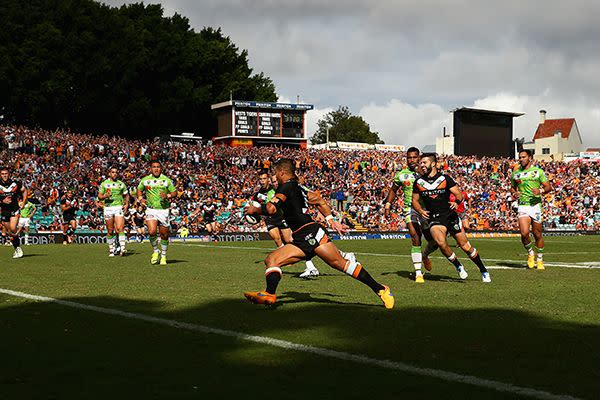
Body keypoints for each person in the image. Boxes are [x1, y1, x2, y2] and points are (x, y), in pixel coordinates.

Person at [244, 158, 394, 308]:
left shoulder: (286, 187)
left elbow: (271, 209)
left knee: (341, 264)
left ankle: (381, 289)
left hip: (310, 233)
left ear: (282, 172)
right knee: (271, 260)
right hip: (300, 237)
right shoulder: (299, 188)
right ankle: (269, 294)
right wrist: (331, 220)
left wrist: (255, 210)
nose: (274, 176)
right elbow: (319, 201)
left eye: (276, 173)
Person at [412, 153, 491, 283]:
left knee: (466, 246)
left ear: (433, 164)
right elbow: (414, 200)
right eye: (420, 163)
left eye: (424, 162)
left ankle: (483, 270)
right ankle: (458, 266)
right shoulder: (419, 182)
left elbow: (459, 195)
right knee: (441, 243)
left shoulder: (445, 179)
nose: (421, 165)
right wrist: (420, 210)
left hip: (450, 216)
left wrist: (457, 202)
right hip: (434, 218)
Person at [384, 147, 433, 283]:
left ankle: (424, 256)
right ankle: (418, 273)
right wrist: (388, 205)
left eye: (414, 157)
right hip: (409, 209)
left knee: (434, 241)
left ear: (419, 158)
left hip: (426, 209)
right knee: (415, 237)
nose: (411, 160)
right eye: (409, 157)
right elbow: (393, 190)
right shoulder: (401, 174)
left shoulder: (426, 173)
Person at [511, 150, 552, 269]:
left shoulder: (538, 172)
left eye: (524, 157)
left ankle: (539, 259)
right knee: (524, 233)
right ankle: (530, 254)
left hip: (535, 206)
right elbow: (512, 188)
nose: (521, 159)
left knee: (537, 234)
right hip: (523, 205)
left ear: (530, 157)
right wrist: (515, 193)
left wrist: (541, 191)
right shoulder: (515, 173)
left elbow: (548, 187)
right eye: (520, 157)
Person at [137, 161, 176, 265]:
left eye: (158, 167)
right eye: (154, 167)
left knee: (164, 234)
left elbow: (174, 192)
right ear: (150, 168)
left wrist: (167, 196)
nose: (156, 169)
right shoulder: (145, 180)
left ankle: (163, 256)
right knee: (152, 232)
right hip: (151, 209)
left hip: (164, 210)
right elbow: (139, 190)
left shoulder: (166, 180)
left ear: (161, 168)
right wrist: (141, 199)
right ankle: (155, 251)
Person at [98, 166, 130, 256]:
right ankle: (111, 249)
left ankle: (123, 249)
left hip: (118, 207)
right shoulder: (104, 184)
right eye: (112, 172)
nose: (114, 174)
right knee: (110, 230)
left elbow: (126, 195)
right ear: (109, 173)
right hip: (108, 208)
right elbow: (100, 196)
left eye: (116, 172)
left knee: (120, 228)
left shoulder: (121, 184)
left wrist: (126, 204)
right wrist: (105, 196)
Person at [0, 166, 27, 258]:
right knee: (10, 231)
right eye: (3, 174)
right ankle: (17, 248)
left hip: (14, 209)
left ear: (9, 174)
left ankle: (18, 249)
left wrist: (23, 202)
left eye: (6, 174)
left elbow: (24, 191)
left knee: (12, 228)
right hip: (4, 210)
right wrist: (2, 201)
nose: (4, 175)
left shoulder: (15, 184)